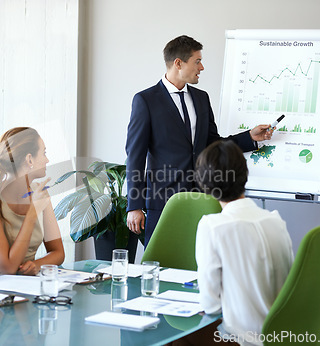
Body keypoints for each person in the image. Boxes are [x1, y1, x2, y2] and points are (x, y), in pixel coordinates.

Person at [125, 35, 274, 246]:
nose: (202, 67)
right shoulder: (145, 101)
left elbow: (214, 144)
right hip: (163, 203)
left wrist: (249, 137)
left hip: (203, 200)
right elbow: (135, 156)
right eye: (197, 61)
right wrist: (134, 205)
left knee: (202, 265)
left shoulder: (201, 98)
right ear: (178, 63)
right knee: (161, 266)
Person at [180, 140, 294, 345]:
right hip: (282, 337)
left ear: (205, 184)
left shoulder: (212, 226)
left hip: (243, 339)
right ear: (245, 175)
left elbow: (211, 305)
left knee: (177, 339)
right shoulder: (276, 220)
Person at [0, 127, 64, 279]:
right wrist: (33, 212)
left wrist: (36, 265)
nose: (47, 160)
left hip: (25, 284)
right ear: (29, 159)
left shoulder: (40, 193)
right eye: (44, 153)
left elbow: (58, 253)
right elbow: (8, 268)